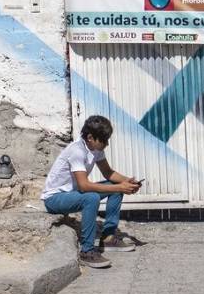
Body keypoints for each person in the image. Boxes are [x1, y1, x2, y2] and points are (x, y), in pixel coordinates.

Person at [42, 115, 142, 269]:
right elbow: (84, 186)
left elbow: (108, 173)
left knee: (116, 185)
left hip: (72, 195)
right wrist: (119, 187)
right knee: (92, 197)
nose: (107, 144)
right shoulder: (77, 151)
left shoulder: (95, 149)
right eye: (104, 140)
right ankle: (87, 251)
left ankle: (108, 237)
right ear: (90, 137)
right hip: (54, 199)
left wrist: (127, 182)